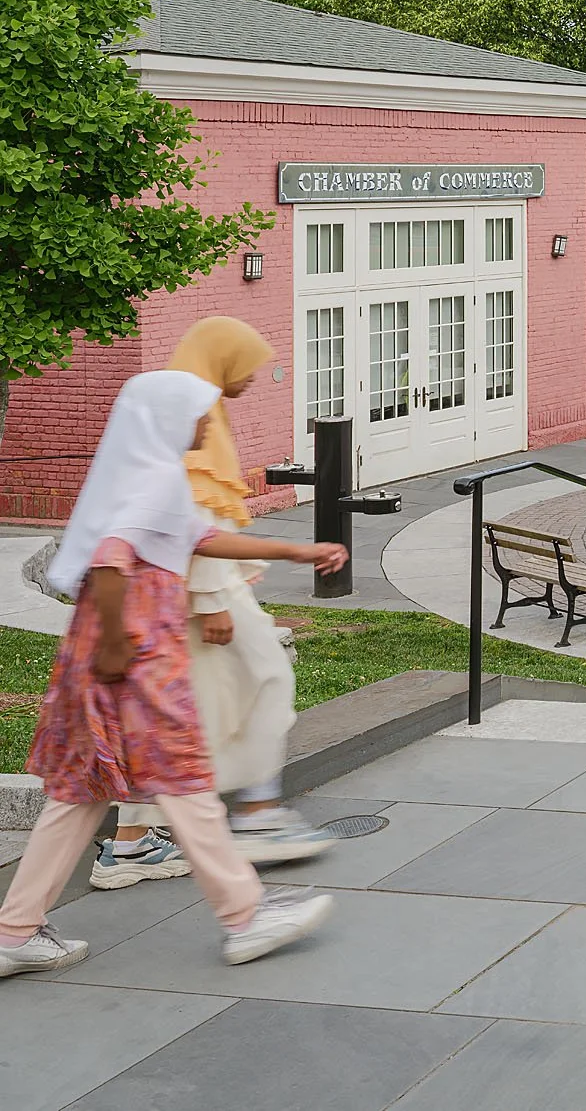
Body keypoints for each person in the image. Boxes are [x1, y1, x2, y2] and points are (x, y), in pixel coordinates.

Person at [1, 371, 349, 979]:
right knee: (186, 785)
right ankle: (246, 915)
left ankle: (14, 931)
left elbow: (199, 539)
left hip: (102, 659)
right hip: (135, 662)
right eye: (200, 413)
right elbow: (111, 559)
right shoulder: (157, 479)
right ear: (168, 417)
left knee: (79, 794)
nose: (210, 424)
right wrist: (117, 644)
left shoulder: (142, 475)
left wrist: (296, 551)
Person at [98, 318, 329, 887]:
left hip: (199, 593)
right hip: (200, 596)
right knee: (263, 681)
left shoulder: (203, 411)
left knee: (188, 710)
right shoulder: (190, 415)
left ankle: (139, 843)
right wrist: (209, 600)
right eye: (247, 363)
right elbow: (187, 520)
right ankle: (255, 815)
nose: (254, 376)